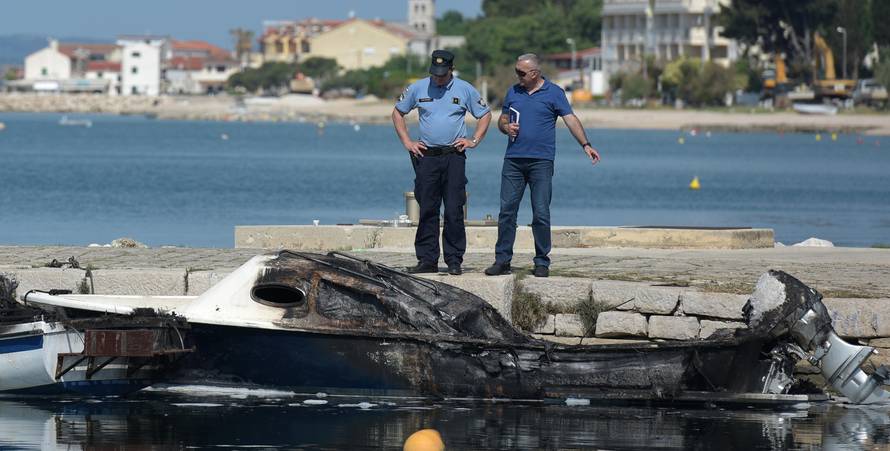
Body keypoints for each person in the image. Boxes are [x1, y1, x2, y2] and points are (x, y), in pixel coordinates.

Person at [484, 53, 601, 278]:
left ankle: (541, 261)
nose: (517, 76)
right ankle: (502, 260)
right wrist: (505, 127)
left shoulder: (555, 93)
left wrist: (586, 145)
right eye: (516, 71)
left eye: (521, 72)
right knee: (507, 212)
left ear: (535, 73)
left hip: (541, 162)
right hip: (513, 161)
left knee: (541, 213)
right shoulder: (513, 92)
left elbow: (571, 119)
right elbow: (502, 119)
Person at [392, 49, 492, 275]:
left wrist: (473, 140)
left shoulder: (465, 89)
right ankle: (427, 259)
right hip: (426, 157)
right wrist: (408, 142)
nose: (438, 78)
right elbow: (398, 113)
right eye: (435, 73)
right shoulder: (417, 88)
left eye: (442, 73)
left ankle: (454, 260)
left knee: (454, 209)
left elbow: (485, 114)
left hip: (453, 157)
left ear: (451, 69)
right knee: (427, 208)